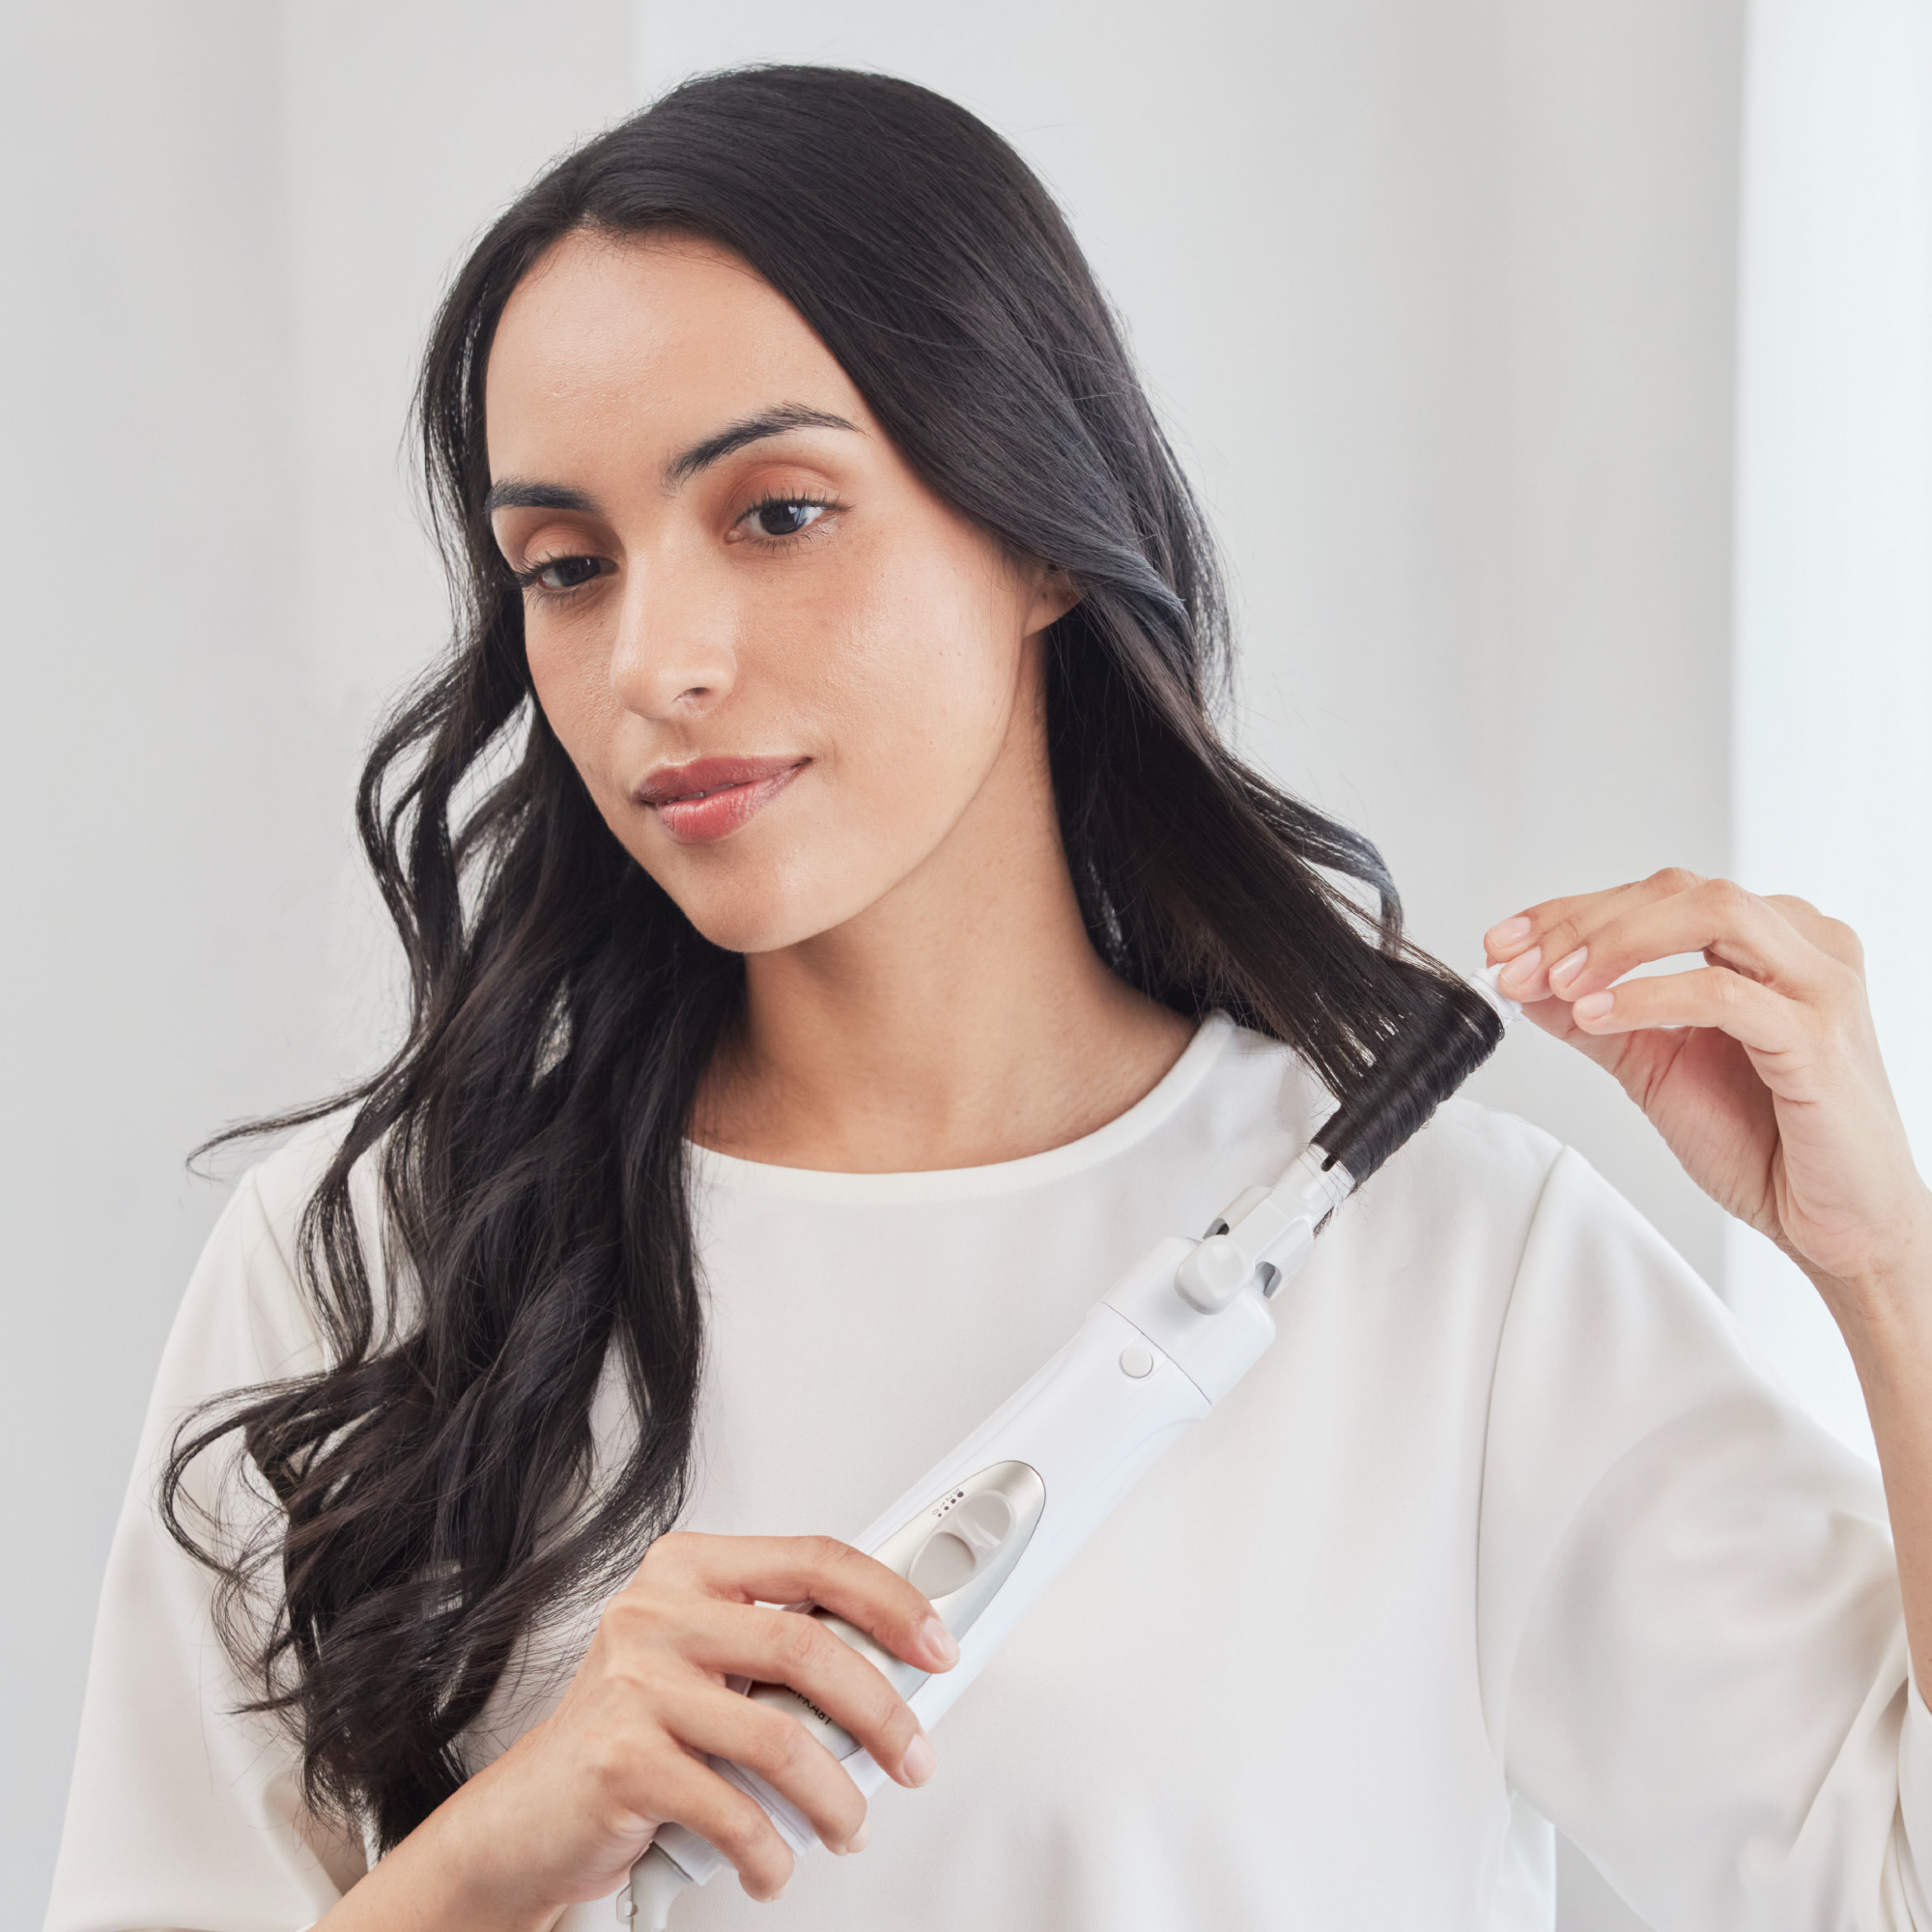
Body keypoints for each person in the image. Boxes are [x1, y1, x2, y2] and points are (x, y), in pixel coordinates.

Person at [45, 65, 1932, 1932]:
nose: (654, 663)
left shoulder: (1454, 1267)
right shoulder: (368, 1263)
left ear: (1037, 525)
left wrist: (1889, 1273)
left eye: (778, 513)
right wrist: (500, 1853)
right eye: (566, 565)